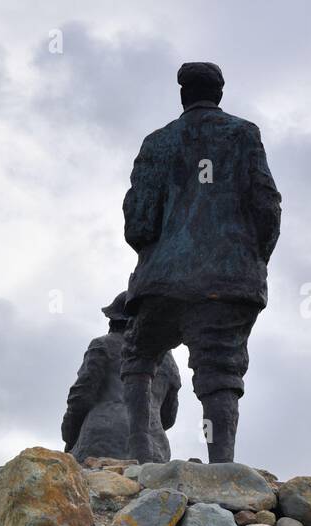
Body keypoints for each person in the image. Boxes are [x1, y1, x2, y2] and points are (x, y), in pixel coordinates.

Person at [119, 61, 281, 463]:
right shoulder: (244, 135)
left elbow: (138, 222)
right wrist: (253, 258)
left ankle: (141, 455)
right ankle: (221, 462)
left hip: (163, 282)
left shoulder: (158, 143)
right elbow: (267, 205)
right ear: (220, 93)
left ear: (182, 94)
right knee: (220, 371)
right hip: (227, 280)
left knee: (139, 356)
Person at [62, 292, 180, 463]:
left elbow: (80, 398)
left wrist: (69, 437)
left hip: (100, 440)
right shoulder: (168, 360)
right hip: (154, 445)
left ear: (114, 320)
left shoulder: (102, 344)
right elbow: (168, 417)